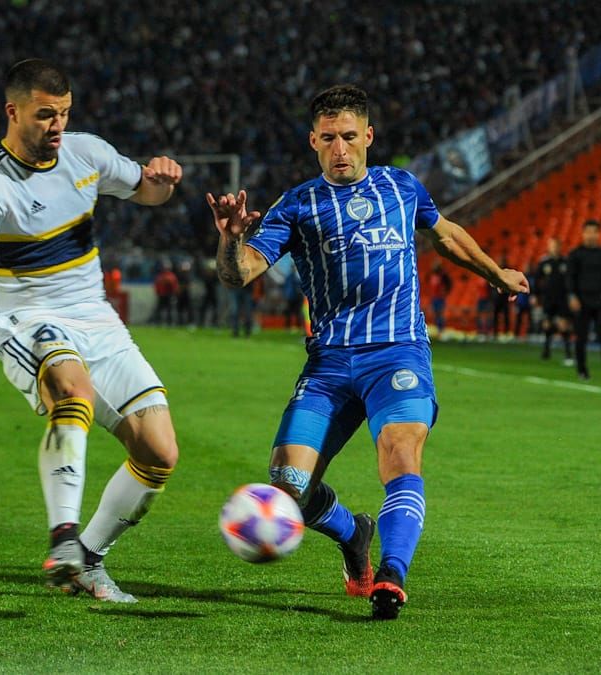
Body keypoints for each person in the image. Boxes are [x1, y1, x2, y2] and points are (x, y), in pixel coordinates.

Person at [207, 85, 527, 620]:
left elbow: (445, 234)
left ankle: (391, 575)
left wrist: (494, 274)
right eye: (328, 138)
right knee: (287, 490)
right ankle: (355, 533)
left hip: (397, 354)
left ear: (368, 136)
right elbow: (238, 274)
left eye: (349, 137)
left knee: (401, 453)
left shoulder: (401, 187)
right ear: (313, 141)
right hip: (329, 364)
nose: (340, 148)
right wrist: (230, 239)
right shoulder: (298, 204)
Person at [0, 59, 182, 603]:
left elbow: (145, 190)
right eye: (45, 115)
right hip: (27, 319)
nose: (57, 125)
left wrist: (162, 181)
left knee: (159, 453)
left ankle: (88, 561)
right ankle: (63, 537)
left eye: (65, 114)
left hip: (96, 317)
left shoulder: (87, 153)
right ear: (13, 112)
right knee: (71, 392)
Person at [566, 220, 601, 382]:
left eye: (594, 232)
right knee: (581, 337)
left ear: (599, 234)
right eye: (588, 232)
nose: (591, 235)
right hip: (581, 300)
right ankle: (582, 370)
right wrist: (572, 296)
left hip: (599, 300)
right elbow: (570, 277)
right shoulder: (575, 254)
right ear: (583, 234)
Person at [536, 237, 574, 364]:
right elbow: (537, 279)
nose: (554, 248)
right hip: (548, 298)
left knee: (564, 325)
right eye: (552, 245)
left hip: (562, 298)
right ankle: (546, 351)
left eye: (556, 245)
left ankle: (568, 353)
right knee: (547, 324)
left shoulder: (565, 262)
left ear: (560, 247)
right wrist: (536, 296)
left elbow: (571, 280)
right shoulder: (544, 262)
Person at [425, 260, 453, 335]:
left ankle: (442, 330)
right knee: (436, 314)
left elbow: (449, 284)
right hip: (434, 298)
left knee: (440, 314)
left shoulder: (443, 276)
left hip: (440, 298)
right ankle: (438, 330)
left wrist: (445, 292)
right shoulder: (432, 275)